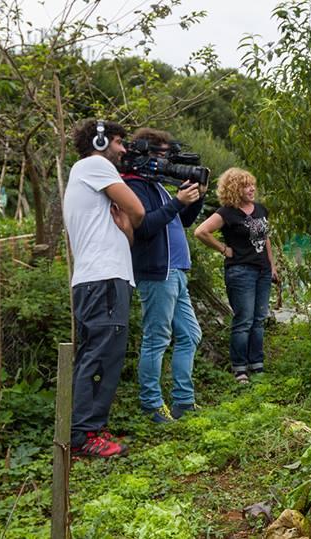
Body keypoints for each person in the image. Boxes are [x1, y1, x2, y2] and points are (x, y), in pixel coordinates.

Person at [64, 119, 145, 457]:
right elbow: (137, 211)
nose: (123, 150)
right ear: (99, 142)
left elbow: (128, 233)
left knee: (104, 355)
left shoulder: (84, 175)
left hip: (103, 278)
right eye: (118, 142)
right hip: (103, 279)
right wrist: (132, 221)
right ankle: (84, 434)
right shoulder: (94, 165)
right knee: (99, 355)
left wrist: (128, 225)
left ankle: (93, 425)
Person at [123, 128, 205, 423]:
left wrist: (194, 198)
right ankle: (151, 405)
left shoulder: (156, 185)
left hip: (176, 271)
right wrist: (177, 201)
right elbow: (144, 227)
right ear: (145, 155)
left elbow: (181, 220)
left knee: (190, 335)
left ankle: (183, 400)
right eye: (161, 154)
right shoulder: (133, 185)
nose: (167, 160)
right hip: (158, 271)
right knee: (157, 338)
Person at [195, 168, 277, 384]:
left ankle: (257, 365)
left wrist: (272, 266)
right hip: (241, 271)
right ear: (234, 189)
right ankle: (240, 368)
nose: (251, 189)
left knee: (259, 320)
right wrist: (224, 249)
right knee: (244, 320)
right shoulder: (227, 212)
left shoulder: (260, 209)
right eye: (245, 185)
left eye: (252, 184)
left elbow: (265, 238)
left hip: (262, 270)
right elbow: (201, 232)